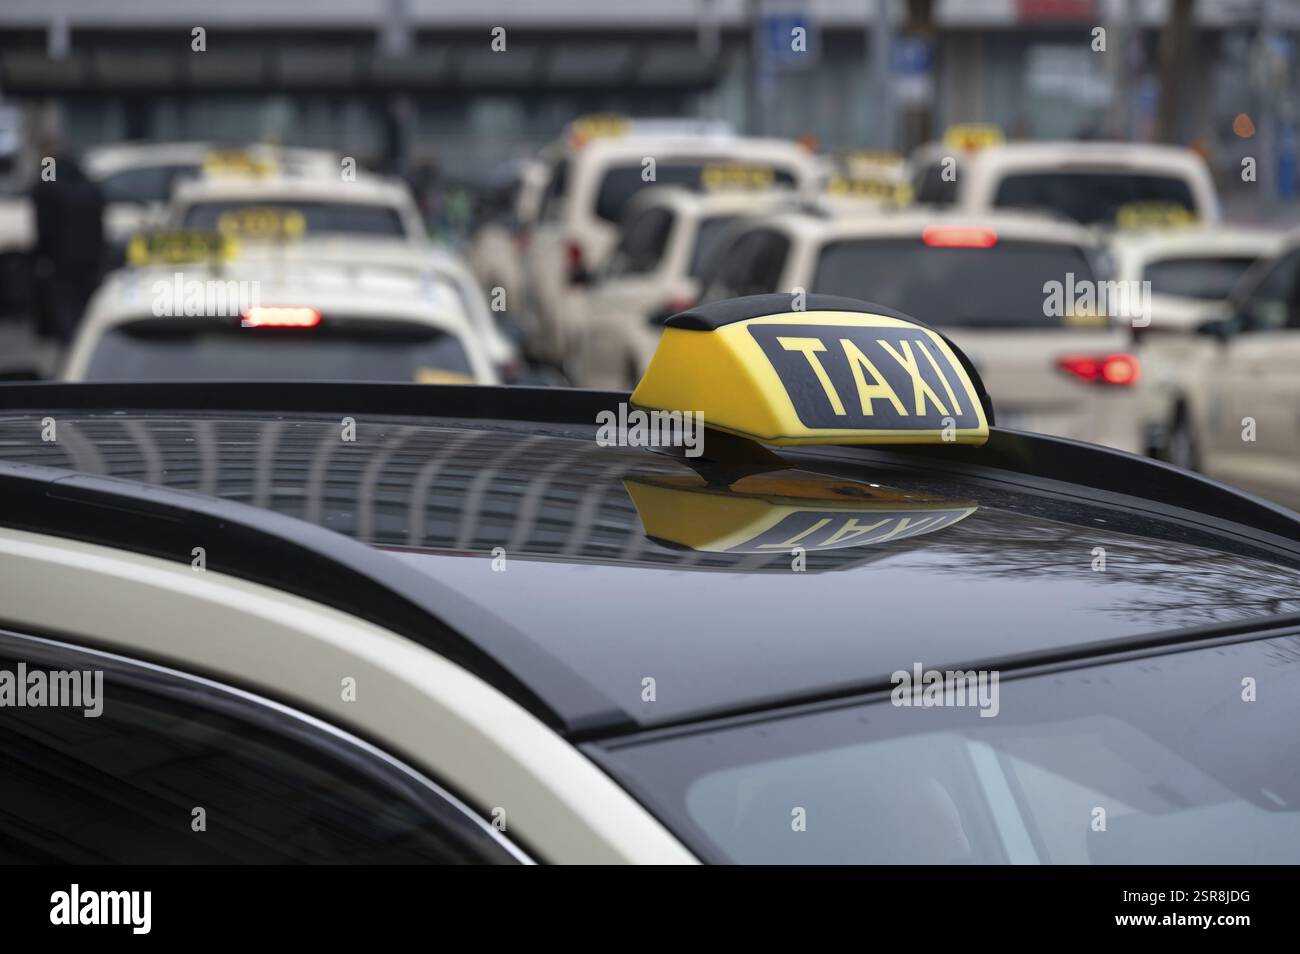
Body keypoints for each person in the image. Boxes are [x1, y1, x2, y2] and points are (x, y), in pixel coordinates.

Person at [30, 141, 104, 343]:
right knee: (82, 303)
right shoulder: (83, 179)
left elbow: (42, 213)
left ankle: (71, 345)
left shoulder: (49, 170)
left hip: (61, 255)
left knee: (64, 306)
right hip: (89, 254)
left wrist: (41, 254)